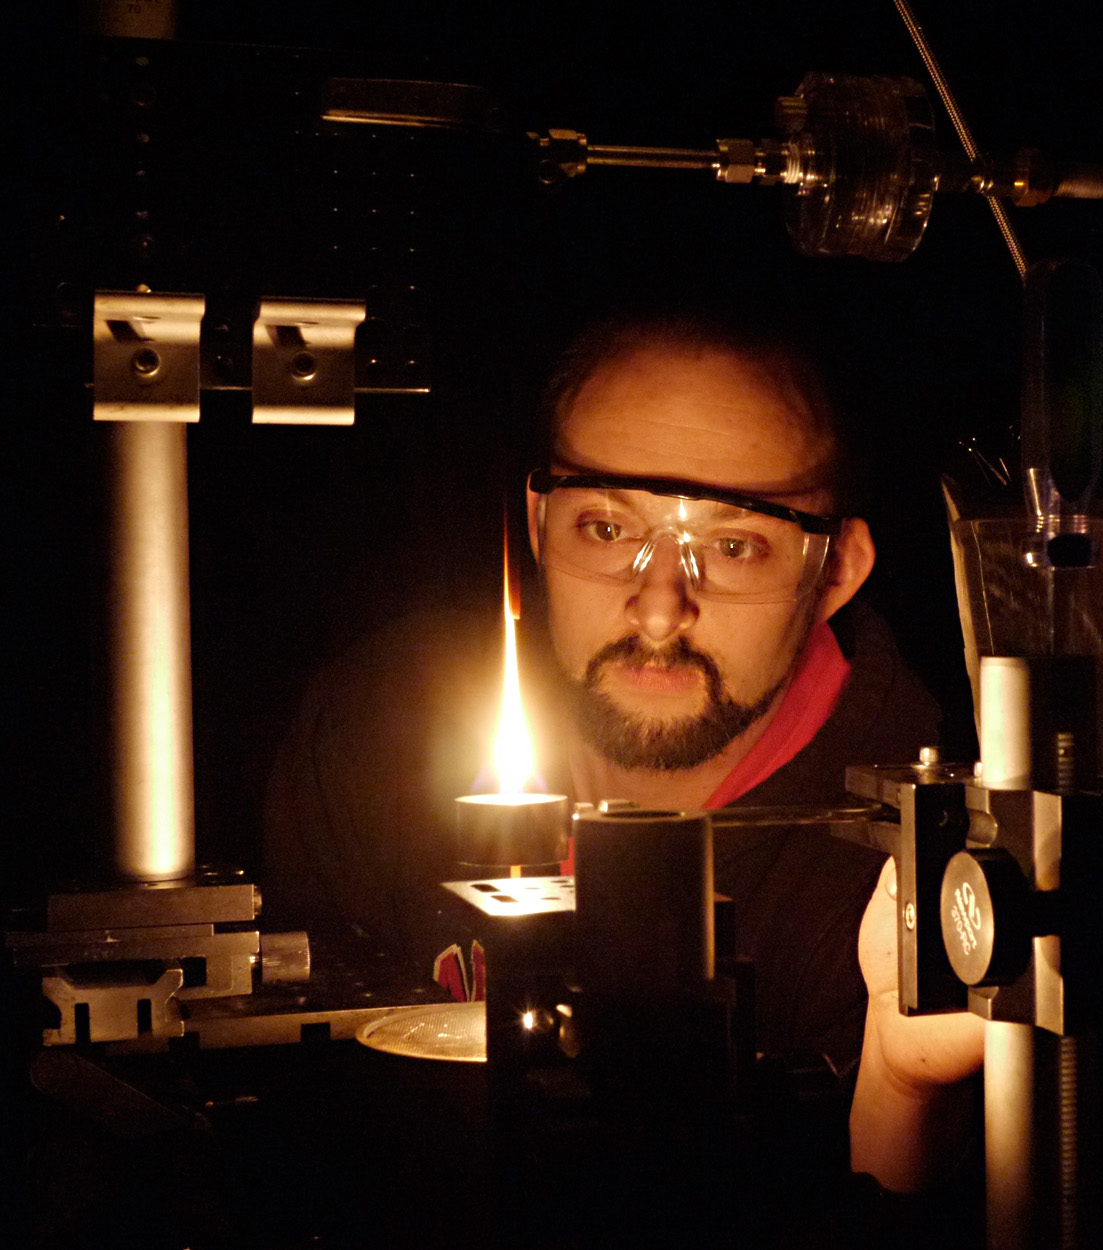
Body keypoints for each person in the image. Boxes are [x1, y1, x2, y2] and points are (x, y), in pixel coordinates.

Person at [263, 306, 981, 1193]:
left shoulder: (918, 867)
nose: (659, 609)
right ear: (538, 524)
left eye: (734, 545)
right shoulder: (376, 728)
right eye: (607, 529)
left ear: (834, 572)